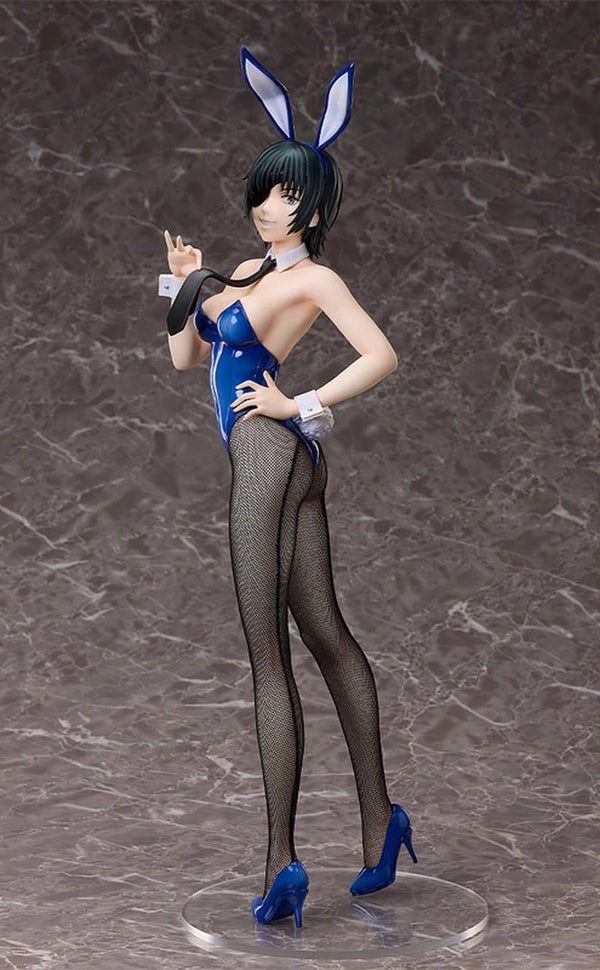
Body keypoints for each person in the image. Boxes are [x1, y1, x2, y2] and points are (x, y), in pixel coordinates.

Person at [160, 48, 416, 928]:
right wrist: (184, 281)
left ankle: (282, 865)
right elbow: (187, 356)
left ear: (313, 204)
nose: (268, 205)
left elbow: (381, 354)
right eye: (264, 191)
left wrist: (299, 402)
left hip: (270, 451)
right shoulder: (247, 271)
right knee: (327, 636)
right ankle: (382, 822)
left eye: (285, 194)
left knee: (269, 653)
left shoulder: (313, 278)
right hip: (281, 459)